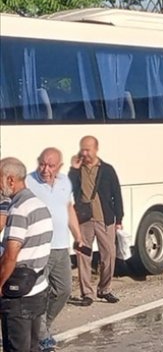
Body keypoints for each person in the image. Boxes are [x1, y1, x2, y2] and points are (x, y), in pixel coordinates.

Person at [26, 148, 84, 352]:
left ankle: (43, 327)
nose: (45, 169)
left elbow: (68, 208)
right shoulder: (28, 182)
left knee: (64, 290)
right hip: (39, 248)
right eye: (42, 163)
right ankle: (42, 336)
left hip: (61, 247)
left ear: (59, 166)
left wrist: (78, 235)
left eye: (50, 165)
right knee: (39, 292)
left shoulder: (64, 182)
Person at [0, 157, 53, 352]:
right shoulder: (38, 204)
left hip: (18, 295)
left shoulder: (18, 209)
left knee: (16, 348)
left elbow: (11, 255)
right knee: (33, 347)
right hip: (38, 288)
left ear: (10, 180)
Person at [69, 135, 123, 306]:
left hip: (104, 218)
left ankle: (104, 289)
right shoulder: (78, 170)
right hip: (84, 219)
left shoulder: (107, 169)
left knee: (109, 254)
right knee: (83, 256)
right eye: (82, 149)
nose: (84, 153)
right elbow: (68, 188)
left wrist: (119, 218)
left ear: (96, 149)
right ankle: (87, 293)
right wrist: (74, 170)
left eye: (88, 149)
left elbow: (117, 194)